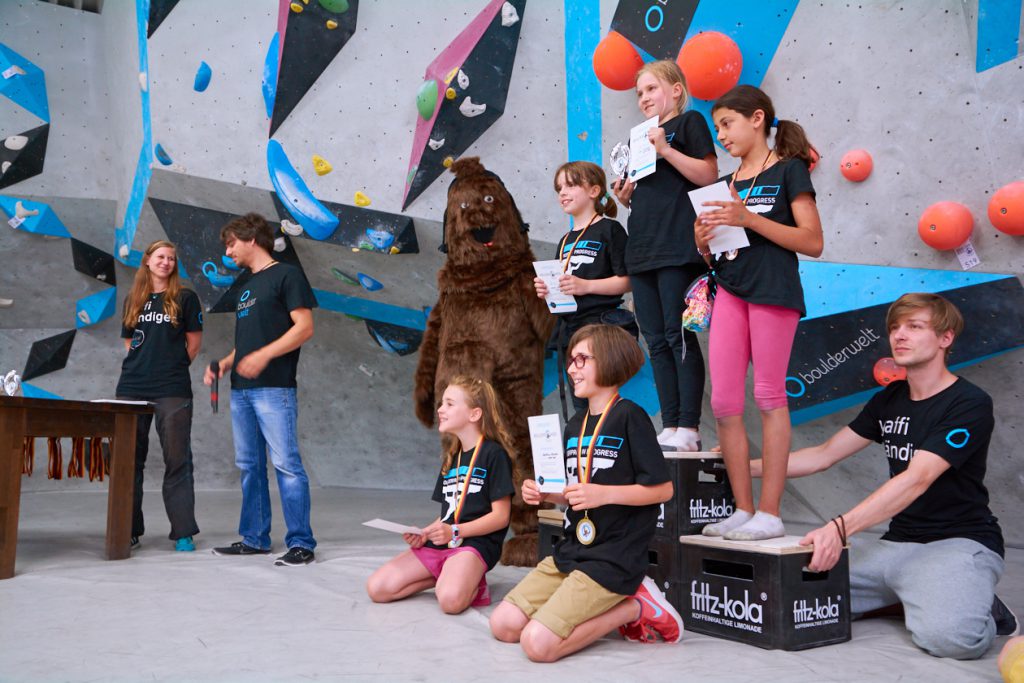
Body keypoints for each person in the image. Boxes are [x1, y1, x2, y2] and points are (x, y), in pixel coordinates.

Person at [758, 293, 1017, 659]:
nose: (899, 335)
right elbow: (823, 455)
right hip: (895, 546)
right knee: (787, 598)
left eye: (915, 326)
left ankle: (987, 607)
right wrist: (741, 466)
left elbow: (917, 479)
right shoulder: (890, 398)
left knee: (952, 640)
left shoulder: (969, 403)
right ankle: (910, 594)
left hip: (958, 543)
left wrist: (839, 528)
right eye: (895, 327)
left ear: (945, 338)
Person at [489, 324, 679, 662]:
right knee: (503, 626)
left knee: (537, 645)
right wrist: (548, 494)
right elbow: (576, 492)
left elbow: (663, 489)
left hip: (613, 558)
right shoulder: (575, 425)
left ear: (609, 360)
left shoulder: (630, 417)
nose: (572, 367)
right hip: (572, 550)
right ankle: (586, 604)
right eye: (571, 360)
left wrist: (603, 495)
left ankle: (635, 607)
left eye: (581, 359)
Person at [695, 84, 823, 541]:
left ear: (758, 119)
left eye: (727, 124)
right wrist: (703, 239)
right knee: (725, 403)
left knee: (769, 397)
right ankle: (742, 509)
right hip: (731, 291)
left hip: (774, 292)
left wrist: (748, 219)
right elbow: (721, 255)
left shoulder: (790, 171)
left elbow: (812, 242)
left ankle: (770, 512)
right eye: (717, 128)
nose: (722, 135)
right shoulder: (727, 184)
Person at [611, 59, 718, 452]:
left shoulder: (689, 124)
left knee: (679, 335)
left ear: (676, 90)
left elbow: (708, 175)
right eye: (639, 93)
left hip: (678, 247)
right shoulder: (639, 138)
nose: (644, 98)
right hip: (643, 247)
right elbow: (652, 192)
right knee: (655, 339)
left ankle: (689, 425)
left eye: (651, 89)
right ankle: (670, 423)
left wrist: (667, 150)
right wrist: (627, 197)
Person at [204, 213, 318, 567]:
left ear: (252, 238)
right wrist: (227, 361)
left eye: (231, 243)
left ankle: (301, 543)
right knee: (250, 465)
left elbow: (304, 328)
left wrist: (265, 356)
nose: (228, 250)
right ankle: (255, 538)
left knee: (286, 465)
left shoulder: (287, 275)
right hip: (241, 390)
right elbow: (253, 339)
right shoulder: (246, 286)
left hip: (274, 389)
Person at [366, 376, 514, 613]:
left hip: (474, 543)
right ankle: (450, 575)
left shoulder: (493, 454)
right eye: (441, 403)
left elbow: (501, 517)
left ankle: (464, 581)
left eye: (449, 403)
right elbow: (447, 515)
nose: (440, 409)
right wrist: (425, 534)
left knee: (450, 602)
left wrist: (455, 531)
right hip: (446, 538)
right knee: (378, 588)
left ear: (474, 414)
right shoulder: (452, 457)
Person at [115, 239, 202, 552]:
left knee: (177, 460)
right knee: (128, 461)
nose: (166, 262)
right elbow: (130, 343)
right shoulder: (133, 299)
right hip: (131, 388)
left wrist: (169, 366)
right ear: (148, 261)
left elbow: (193, 344)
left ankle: (182, 532)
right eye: (161, 257)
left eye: (171, 258)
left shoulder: (185, 298)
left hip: (172, 388)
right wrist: (144, 365)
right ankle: (128, 529)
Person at [534, 161, 633, 415]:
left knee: (601, 398)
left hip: (599, 329)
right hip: (570, 331)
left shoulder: (610, 229)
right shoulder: (565, 240)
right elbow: (565, 288)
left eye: (570, 185)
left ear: (594, 191)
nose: (562, 193)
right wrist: (548, 292)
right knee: (580, 404)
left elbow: (629, 281)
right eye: (559, 188)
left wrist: (585, 285)